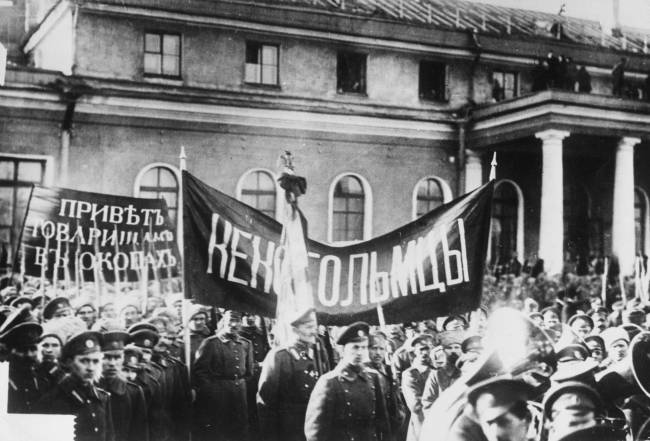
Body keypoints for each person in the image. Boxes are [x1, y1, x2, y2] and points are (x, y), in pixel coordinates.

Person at [304, 321, 390, 441]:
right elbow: (316, 433)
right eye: (355, 347)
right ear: (342, 350)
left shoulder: (373, 378)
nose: (360, 352)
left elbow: (383, 424)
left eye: (364, 347)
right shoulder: (329, 383)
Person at [257, 308, 329, 441]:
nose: (314, 331)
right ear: (295, 330)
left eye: (315, 326)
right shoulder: (279, 356)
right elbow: (266, 402)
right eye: (309, 327)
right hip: (289, 427)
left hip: (314, 424)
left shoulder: (319, 352)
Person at [36, 331, 115, 441]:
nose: (90, 368)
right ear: (69, 362)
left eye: (95, 361)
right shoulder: (53, 399)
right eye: (84, 361)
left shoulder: (102, 398)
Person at [192, 309, 254, 441]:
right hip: (218, 393)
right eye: (230, 321)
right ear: (223, 322)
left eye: (237, 321)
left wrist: (240, 385)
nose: (234, 325)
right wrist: (212, 390)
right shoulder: (210, 343)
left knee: (240, 427)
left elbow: (249, 371)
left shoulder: (246, 344)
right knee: (219, 429)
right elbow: (200, 372)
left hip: (239, 392)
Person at [448, 376, 534, 441]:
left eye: (503, 422)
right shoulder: (461, 433)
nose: (495, 433)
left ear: (526, 419)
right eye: (489, 423)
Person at [99, 331, 149, 441]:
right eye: (106, 357)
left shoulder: (133, 392)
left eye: (117, 357)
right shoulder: (88, 390)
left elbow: (139, 434)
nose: (112, 363)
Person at [365, 330, 405, 441]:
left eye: (381, 349)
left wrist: (400, 413)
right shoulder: (364, 372)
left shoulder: (388, 370)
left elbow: (397, 397)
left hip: (392, 426)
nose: (378, 353)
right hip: (374, 429)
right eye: (373, 348)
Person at [0, 318, 44, 413]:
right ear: (8, 351)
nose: (29, 355)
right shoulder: (3, 380)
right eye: (22, 350)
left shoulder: (44, 376)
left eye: (33, 349)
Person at [402, 334, 434, 441]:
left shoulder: (436, 371)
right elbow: (415, 404)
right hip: (421, 423)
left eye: (427, 349)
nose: (425, 353)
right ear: (414, 351)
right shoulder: (410, 374)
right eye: (421, 349)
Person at [421, 330, 463, 411]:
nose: (453, 351)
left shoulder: (469, 370)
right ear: (443, 351)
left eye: (457, 347)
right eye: (449, 348)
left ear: (462, 350)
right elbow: (428, 403)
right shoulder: (437, 374)